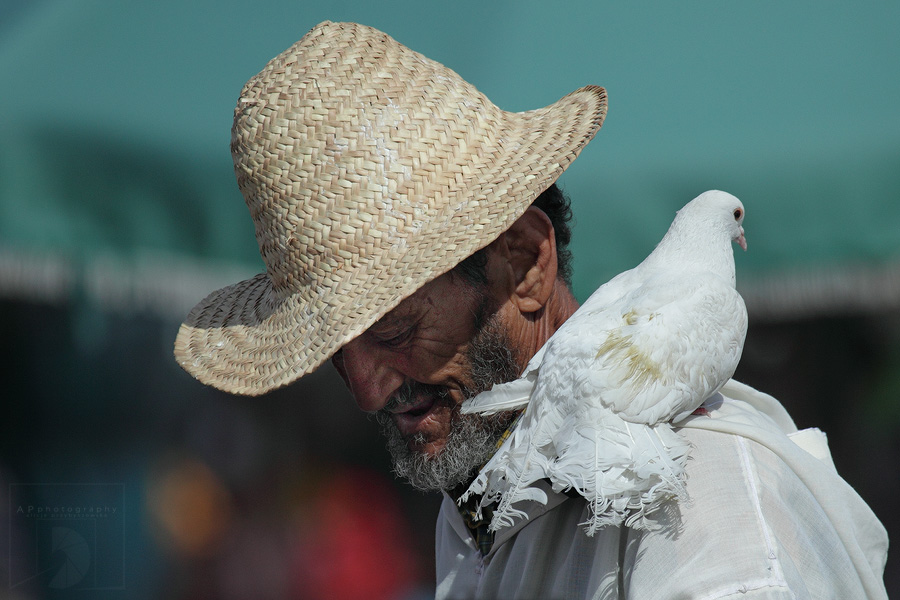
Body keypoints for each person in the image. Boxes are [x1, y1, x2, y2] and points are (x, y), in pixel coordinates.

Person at [174, 21, 889, 599]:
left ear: (525, 264)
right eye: (334, 350)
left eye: (393, 331)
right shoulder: (484, 506)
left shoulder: (701, 507)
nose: (365, 387)